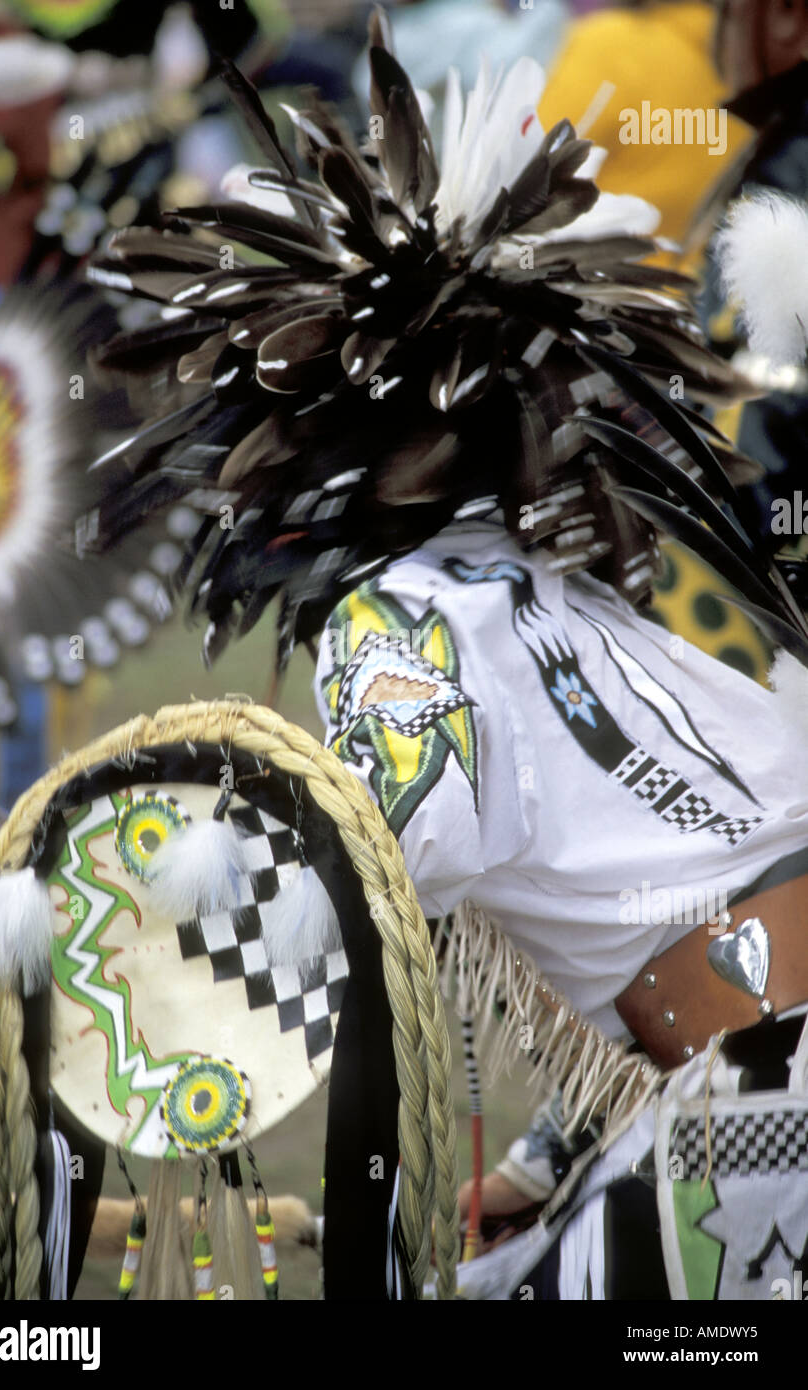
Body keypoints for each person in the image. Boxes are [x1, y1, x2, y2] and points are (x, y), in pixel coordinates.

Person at [79, 18, 808, 1298]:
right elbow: (699, 903)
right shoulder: (591, 603)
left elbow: (362, 954)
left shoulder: (394, 625)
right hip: (755, 1084)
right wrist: (547, 1175)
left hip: (763, 1109)